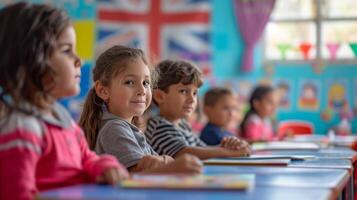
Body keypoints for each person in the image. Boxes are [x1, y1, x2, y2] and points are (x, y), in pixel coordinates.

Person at [0, 3, 128, 200]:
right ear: (31, 61)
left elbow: (86, 158)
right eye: (67, 50)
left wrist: (104, 165)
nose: (79, 60)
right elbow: (16, 194)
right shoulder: (23, 129)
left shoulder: (62, 118)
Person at [79, 45, 202, 174]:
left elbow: (156, 163)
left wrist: (165, 161)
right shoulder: (114, 128)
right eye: (129, 82)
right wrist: (172, 165)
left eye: (146, 83)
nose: (142, 90)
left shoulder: (128, 129)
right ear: (103, 90)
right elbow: (136, 176)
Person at [145, 60, 251, 160]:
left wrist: (229, 147)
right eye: (183, 91)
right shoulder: (159, 126)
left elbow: (202, 148)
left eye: (195, 93)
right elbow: (184, 153)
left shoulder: (183, 125)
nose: (192, 99)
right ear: (159, 96)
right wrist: (228, 152)